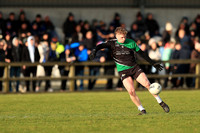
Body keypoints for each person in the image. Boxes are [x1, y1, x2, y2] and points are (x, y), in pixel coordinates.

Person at [89, 27, 170, 115]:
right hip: (123, 71)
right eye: (121, 37)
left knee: (147, 84)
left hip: (134, 68)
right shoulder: (111, 43)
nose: (123, 39)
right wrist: (95, 50)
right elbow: (101, 45)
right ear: (116, 36)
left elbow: (142, 53)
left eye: (124, 37)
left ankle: (161, 102)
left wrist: (153, 63)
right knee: (131, 91)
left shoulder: (131, 42)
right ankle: (142, 109)